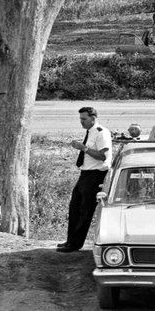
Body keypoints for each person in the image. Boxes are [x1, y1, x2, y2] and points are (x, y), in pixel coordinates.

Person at [57, 106, 112, 253]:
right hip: (85, 174)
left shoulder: (102, 133)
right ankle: (71, 240)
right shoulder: (90, 132)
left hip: (96, 175)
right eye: (80, 119)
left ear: (93, 118)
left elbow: (103, 156)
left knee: (85, 210)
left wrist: (84, 148)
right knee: (75, 206)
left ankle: (75, 244)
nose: (81, 122)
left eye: (84, 119)